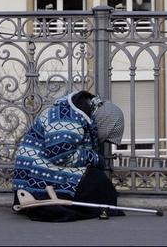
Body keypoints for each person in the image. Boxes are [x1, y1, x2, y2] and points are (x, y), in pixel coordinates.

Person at [11, 90, 125, 222]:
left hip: (40, 170)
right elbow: (60, 155)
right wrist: (95, 158)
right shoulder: (68, 118)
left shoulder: (75, 115)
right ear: (103, 122)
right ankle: (47, 203)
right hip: (32, 179)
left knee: (97, 181)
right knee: (97, 181)